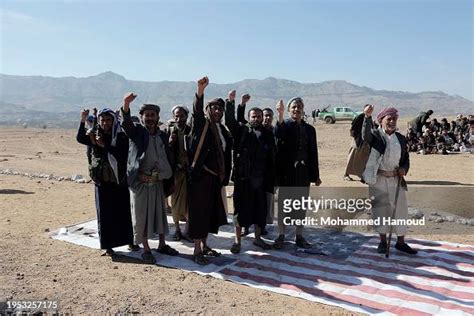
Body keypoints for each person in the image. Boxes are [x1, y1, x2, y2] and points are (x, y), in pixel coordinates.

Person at [120, 93, 179, 264]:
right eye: (147, 115)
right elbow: (126, 123)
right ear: (142, 117)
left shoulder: (162, 135)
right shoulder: (137, 132)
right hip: (140, 184)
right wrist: (125, 104)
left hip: (157, 183)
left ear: (158, 117)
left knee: (160, 215)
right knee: (141, 217)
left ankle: (161, 244)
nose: (150, 118)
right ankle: (145, 248)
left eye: (153, 115)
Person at [76, 108, 136, 256]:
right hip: (102, 181)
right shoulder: (94, 135)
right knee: (105, 215)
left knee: (123, 213)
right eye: (102, 120)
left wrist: (105, 146)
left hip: (118, 180)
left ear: (114, 120)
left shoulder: (120, 136)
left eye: (108, 120)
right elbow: (80, 138)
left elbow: (123, 156)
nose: (105, 123)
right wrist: (83, 120)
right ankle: (108, 246)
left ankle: (129, 241)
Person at [187, 77, 232, 265]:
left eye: (220, 108)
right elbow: (197, 111)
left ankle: (205, 245)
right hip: (200, 178)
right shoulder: (201, 124)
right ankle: (196, 250)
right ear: (208, 110)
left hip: (215, 179)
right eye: (214, 108)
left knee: (210, 214)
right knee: (199, 214)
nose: (217, 111)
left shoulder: (222, 129)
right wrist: (200, 90)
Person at [362, 105, 417, 255]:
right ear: (381, 120)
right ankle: (383, 241)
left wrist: (404, 169)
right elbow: (364, 136)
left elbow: (406, 159)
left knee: (400, 210)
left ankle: (400, 242)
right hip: (378, 179)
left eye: (394, 119)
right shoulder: (375, 136)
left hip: (395, 179)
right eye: (389, 119)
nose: (392, 121)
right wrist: (367, 117)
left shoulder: (401, 138)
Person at [225, 91, 276, 254]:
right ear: (249, 117)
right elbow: (231, 121)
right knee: (240, 211)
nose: (256, 119)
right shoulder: (241, 130)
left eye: (259, 116)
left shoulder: (268, 134)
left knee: (259, 211)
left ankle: (258, 238)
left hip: (260, 180)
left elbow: (272, 156)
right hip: (242, 179)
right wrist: (232, 102)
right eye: (253, 116)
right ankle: (237, 241)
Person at [273, 97, 322, 249]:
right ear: (289, 110)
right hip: (287, 172)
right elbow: (278, 134)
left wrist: (315, 176)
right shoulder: (285, 125)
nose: (296, 109)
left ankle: (299, 236)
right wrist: (280, 114)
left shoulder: (310, 129)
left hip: (304, 172)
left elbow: (313, 153)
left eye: (299, 106)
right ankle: (281, 235)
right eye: (294, 107)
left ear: (303, 109)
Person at [167, 105, 193, 242]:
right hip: (176, 173)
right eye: (176, 116)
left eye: (181, 116)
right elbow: (165, 149)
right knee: (176, 202)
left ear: (186, 117)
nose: (179, 118)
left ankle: (187, 230)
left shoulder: (191, 130)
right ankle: (177, 229)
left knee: (189, 203)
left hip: (189, 173)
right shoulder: (170, 130)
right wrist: (170, 142)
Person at [343, 105, 372, 181]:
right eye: (368, 109)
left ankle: (362, 175)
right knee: (351, 158)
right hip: (356, 141)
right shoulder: (359, 117)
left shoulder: (369, 118)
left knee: (363, 159)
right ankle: (346, 174)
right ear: (364, 109)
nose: (369, 110)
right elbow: (353, 129)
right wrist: (356, 139)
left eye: (370, 109)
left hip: (364, 142)